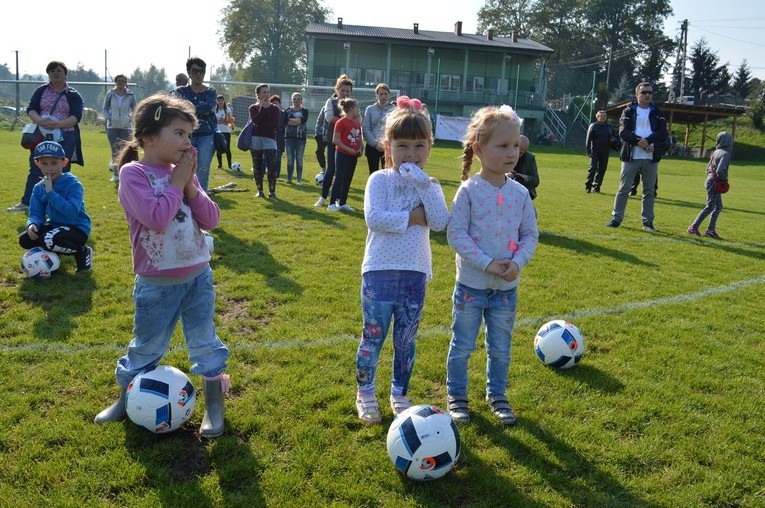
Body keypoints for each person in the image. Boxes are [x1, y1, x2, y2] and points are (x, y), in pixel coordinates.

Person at [94, 94, 230, 438]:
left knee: (205, 342)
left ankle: (214, 405)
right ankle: (125, 400)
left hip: (198, 276)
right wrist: (176, 183)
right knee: (146, 347)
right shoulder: (132, 173)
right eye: (180, 133)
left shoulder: (182, 172)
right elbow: (156, 218)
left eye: (189, 134)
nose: (187, 141)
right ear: (150, 137)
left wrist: (190, 185)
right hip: (156, 285)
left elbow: (211, 219)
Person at [355, 96, 449, 423]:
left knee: (406, 339)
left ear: (430, 148)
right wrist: (413, 216)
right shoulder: (378, 180)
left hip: (415, 273)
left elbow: (438, 221)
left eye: (419, 146)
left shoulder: (430, 184)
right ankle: (365, 392)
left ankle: (399, 393)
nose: (411, 154)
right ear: (387, 146)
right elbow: (375, 219)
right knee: (374, 334)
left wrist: (424, 186)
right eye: (403, 146)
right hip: (379, 272)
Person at [446, 105, 539, 426]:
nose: (512, 152)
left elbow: (530, 234)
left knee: (500, 348)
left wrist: (518, 262)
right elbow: (456, 234)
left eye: (515, 145)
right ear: (479, 149)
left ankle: (497, 395)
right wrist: (486, 263)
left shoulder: (520, 194)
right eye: (502, 146)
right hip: (471, 287)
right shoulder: (469, 192)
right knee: (462, 345)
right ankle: (457, 397)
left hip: (505, 290)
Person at [8, 61, 84, 213]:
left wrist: (58, 124)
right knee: (37, 168)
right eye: (51, 71)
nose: (55, 73)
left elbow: (76, 116)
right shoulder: (41, 90)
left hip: (65, 135)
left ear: (65, 73)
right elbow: (31, 109)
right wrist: (40, 121)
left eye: (58, 70)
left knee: (62, 168)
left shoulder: (73, 94)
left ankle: (59, 202)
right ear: (48, 74)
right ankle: (27, 202)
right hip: (41, 136)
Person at [19, 141, 92, 273]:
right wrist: (33, 224)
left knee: (48, 239)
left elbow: (70, 212)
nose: (49, 168)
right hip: (55, 226)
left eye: (54, 163)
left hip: (77, 228)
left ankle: (82, 251)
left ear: (64, 162)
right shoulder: (38, 187)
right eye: (44, 163)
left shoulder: (73, 184)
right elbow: (36, 212)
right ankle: (54, 252)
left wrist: (51, 193)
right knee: (25, 239)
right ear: (37, 163)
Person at [606, 82, 667, 232]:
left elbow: (662, 132)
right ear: (637, 94)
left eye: (650, 93)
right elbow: (623, 132)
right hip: (631, 156)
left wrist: (649, 141)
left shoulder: (658, 112)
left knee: (649, 191)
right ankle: (616, 219)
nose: (647, 95)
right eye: (644, 92)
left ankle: (648, 222)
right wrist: (640, 142)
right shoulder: (628, 111)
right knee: (624, 189)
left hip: (650, 158)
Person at [172, 57, 218, 191]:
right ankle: (180, 196)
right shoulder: (181, 91)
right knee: (181, 165)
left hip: (206, 136)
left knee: (203, 168)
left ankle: (201, 199)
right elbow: (177, 109)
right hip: (185, 136)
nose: (198, 74)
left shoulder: (211, 91)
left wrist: (189, 107)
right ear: (189, 73)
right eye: (195, 71)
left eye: (201, 71)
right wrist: (194, 107)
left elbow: (208, 107)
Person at [315, 75, 353, 207]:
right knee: (331, 169)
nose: (345, 93)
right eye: (343, 90)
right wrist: (347, 122)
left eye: (348, 91)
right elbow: (329, 118)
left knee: (343, 173)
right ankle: (323, 197)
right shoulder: (330, 102)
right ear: (337, 90)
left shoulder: (353, 104)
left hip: (348, 143)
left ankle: (339, 200)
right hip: (333, 141)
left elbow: (357, 121)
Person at [687, 131, 732, 239]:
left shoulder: (716, 152)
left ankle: (711, 230)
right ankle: (693, 227)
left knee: (718, 206)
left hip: (710, 180)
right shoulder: (725, 154)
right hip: (715, 182)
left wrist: (712, 177)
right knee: (710, 206)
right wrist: (724, 179)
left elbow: (707, 169)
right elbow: (720, 170)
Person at [327, 98, 363, 212]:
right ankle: (331, 203)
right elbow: (335, 140)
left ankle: (342, 202)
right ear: (351, 109)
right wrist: (349, 150)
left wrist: (360, 149)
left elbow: (359, 138)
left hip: (353, 156)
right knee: (339, 178)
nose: (358, 110)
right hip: (342, 155)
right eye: (357, 108)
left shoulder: (357, 123)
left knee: (348, 179)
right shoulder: (341, 122)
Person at [248, 84, 281, 198]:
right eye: (264, 92)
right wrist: (262, 108)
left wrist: (262, 126)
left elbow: (275, 124)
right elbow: (256, 121)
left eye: (267, 92)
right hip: (256, 139)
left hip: (270, 139)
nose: (266, 95)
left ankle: (272, 191)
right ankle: (260, 191)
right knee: (257, 166)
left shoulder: (275, 108)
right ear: (257, 94)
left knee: (272, 166)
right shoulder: (253, 108)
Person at [102, 74, 137, 182]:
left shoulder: (130, 95)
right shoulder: (110, 94)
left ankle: (125, 173)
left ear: (125, 82)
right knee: (114, 150)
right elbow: (105, 108)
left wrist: (130, 119)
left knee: (125, 150)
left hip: (126, 127)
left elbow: (135, 109)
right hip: (112, 126)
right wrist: (110, 118)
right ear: (115, 82)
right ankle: (116, 174)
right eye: (119, 81)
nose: (121, 83)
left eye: (123, 81)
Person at [362, 83, 395, 174]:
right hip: (372, 146)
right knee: (373, 173)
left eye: (385, 94)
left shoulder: (394, 109)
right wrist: (375, 144)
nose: (383, 96)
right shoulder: (370, 109)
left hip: (388, 146)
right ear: (376, 95)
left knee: (388, 173)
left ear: (389, 95)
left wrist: (386, 143)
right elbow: (366, 128)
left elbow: (395, 128)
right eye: (381, 94)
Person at [585, 110, 617, 193]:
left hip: (605, 151)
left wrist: (613, 140)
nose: (603, 117)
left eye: (604, 116)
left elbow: (614, 137)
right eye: (601, 116)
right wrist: (588, 151)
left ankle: (597, 186)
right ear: (597, 117)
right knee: (593, 168)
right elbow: (588, 139)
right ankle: (588, 185)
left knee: (602, 169)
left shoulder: (609, 127)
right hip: (595, 150)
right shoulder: (593, 126)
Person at [283, 92, 309, 184]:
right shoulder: (287, 111)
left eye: (298, 98)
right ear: (291, 100)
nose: (296, 100)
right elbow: (285, 121)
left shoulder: (305, 111)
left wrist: (292, 120)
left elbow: (302, 121)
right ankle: (289, 179)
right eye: (294, 98)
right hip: (289, 137)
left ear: (301, 100)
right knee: (290, 159)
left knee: (299, 158)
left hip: (301, 138)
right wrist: (297, 121)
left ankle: (299, 179)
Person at [508, 135, 540, 200]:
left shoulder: (530, 158)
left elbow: (536, 181)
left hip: (523, 192)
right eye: (517, 151)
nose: (517, 155)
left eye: (521, 153)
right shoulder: (504, 154)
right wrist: (506, 175)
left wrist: (526, 177)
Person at [214, 95, 234, 170]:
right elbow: (214, 120)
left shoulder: (227, 110)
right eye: (219, 100)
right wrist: (220, 121)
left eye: (221, 100)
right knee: (218, 148)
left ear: (224, 101)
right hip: (217, 131)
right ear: (217, 101)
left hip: (226, 131)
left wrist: (225, 120)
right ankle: (220, 164)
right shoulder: (215, 110)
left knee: (227, 147)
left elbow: (229, 121)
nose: (220, 102)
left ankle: (229, 165)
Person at [270, 95, 285, 179]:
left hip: (280, 137)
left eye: (277, 103)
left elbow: (283, 126)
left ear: (279, 104)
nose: (275, 105)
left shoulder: (283, 114)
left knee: (278, 157)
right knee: (268, 157)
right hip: (270, 137)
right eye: (273, 103)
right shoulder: (269, 113)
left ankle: (277, 174)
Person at [314, 103, 327, 176]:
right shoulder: (325, 107)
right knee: (319, 151)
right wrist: (317, 133)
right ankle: (323, 168)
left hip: (336, 135)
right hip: (323, 134)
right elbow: (319, 120)